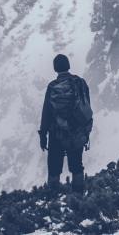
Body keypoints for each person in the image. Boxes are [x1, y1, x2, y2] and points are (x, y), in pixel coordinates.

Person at [39, 53, 93, 192]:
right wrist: (86, 130)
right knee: (76, 165)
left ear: (55, 68)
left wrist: (43, 135)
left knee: (54, 168)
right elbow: (86, 106)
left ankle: (53, 200)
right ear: (68, 65)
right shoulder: (80, 82)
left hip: (56, 133)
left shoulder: (52, 86)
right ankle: (79, 197)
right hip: (77, 131)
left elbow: (46, 113)